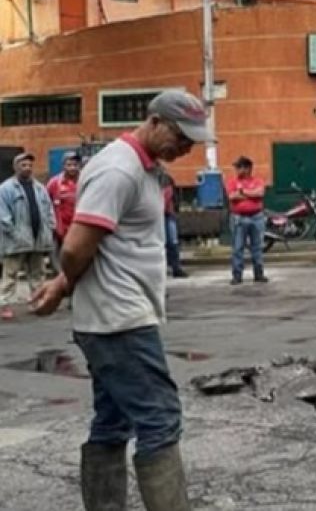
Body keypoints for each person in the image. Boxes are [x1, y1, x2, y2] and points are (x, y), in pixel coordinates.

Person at [28, 89, 210, 511]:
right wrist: (63, 281)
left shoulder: (141, 169)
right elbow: (75, 248)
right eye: (181, 136)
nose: (185, 147)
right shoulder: (119, 170)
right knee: (160, 419)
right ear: (154, 120)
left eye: (192, 141)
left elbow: (95, 248)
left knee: (113, 421)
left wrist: (60, 285)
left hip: (114, 316)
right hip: (119, 321)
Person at [0, 152, 56, 321]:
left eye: (30, 165)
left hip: (38, 238)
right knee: (10, 275)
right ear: (16, 167)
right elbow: (3, 215)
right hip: (16, 240)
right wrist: (14, 233)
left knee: (37, 274)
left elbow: (48, 209)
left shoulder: (39, 188)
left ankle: (35, 301)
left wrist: (51, 227)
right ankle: (4, 304)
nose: (27, 168)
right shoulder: (6, 189)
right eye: (23, 165)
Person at [225, 156, 267, 286]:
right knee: (238, 247)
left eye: (239, 167)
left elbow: (260, 193)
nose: (237, 170)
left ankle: (258, 274)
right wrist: (250, 194)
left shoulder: (258, 181)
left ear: (247, 168)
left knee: (257, 247)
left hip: (256, 217)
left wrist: (243, 192)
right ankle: (237, 275)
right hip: (239, 217)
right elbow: (232, 196)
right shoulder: (232, 182)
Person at [47, 151, 81, 258]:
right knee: (60, 258)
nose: (72, 168)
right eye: (69, 165)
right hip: (60, 230)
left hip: (79, 227)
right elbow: (46, 204)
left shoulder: (84, 181)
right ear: (63, 166)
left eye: (75, 165)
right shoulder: (54, 183)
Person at [160, 170, 187, 278]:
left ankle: (173, 268)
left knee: (169, 242)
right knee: (172, 242)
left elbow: (167, 196)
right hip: (167, 214)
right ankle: (175, 268)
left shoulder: (162, 178)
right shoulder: (165, 178)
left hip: (164, 214)